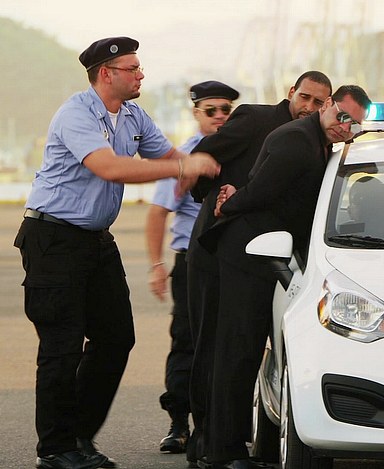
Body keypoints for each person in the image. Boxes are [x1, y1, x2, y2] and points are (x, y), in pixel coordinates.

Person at [13, 36, 220, 469]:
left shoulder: (132, 115)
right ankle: (56, 449)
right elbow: (110, 167)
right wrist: (181, 167)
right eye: (133, 68)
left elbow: (170, 155)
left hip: (95, 241)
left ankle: (78, 437)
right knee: (62, 347)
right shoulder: (77, 113)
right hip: (53, 239)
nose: (141, 74)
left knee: (116, 337)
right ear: (106, 74)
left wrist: (204, 172)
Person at [199, 85, 372, 469]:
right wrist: (228, 204)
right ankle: (223, 453)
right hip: (249, 255)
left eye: (354, 125)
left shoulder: (318, 141)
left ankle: (240, 447)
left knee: (249, 353)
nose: (345, 127)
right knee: (237, 353)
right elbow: (260, 193)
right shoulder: (297, 140)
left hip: (267, 253)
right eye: (342, 116)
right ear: (328, 105)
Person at [185, 71, 332, 467]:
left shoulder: (320, 142)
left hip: (268, 256)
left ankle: (219, 442)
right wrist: (218, 201)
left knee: (242, 349)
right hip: (218, 249)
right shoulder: (256, 118)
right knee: (214, 347)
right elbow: (205, 154)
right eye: (305, 97)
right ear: (291, 93)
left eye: (319, 102)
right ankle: (206, 441)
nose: (309, 107)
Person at [145, 80, 239, 456]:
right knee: (186, 342)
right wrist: (156, 265)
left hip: (232, 263)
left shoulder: (243, 150)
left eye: (226, 109)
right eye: (210, 110)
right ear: (196, 113)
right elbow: (157, 213)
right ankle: (178, 423)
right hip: (190, 262)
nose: (219, 116)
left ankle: (220, 425)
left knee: (229, 343)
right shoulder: (184, 156)